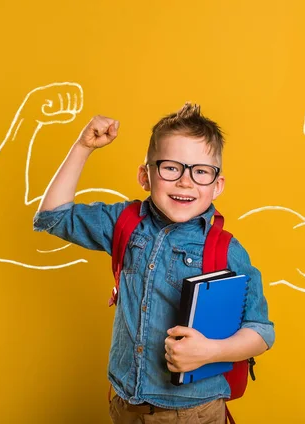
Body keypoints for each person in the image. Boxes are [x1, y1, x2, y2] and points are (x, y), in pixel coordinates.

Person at [33, 103, 275, 423]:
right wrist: (83, 147)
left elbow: (261, 331)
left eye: (201, 171)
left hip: (193, 412)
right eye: (171, 168)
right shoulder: (124, 223)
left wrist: (210, 351)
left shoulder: (227, 250)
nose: (185, 182)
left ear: (217, 185)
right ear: (145, 176)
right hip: (125, 406)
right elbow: (52, 217)